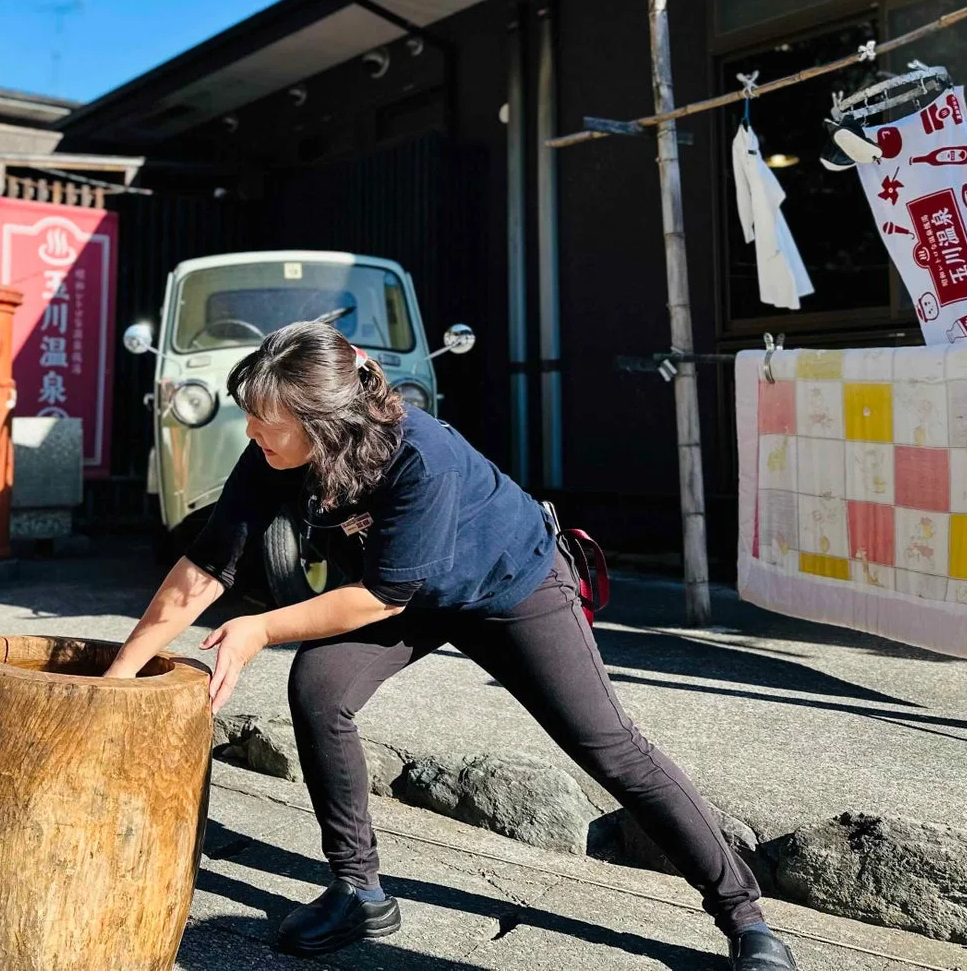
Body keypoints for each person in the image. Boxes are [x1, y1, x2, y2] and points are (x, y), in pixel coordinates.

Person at [106, 321, 798, 970]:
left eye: (268, 422)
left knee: (609, 746)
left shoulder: (420, 456)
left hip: (508, 587)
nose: (252, 431)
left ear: (325, 423)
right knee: (320, 691)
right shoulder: (271, 456)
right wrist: (114, 678)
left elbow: (383, 598)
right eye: (251, 416)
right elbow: (203, 570)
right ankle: (360, 893)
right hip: (403, 589)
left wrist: (258, 627)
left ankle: (746, 918)